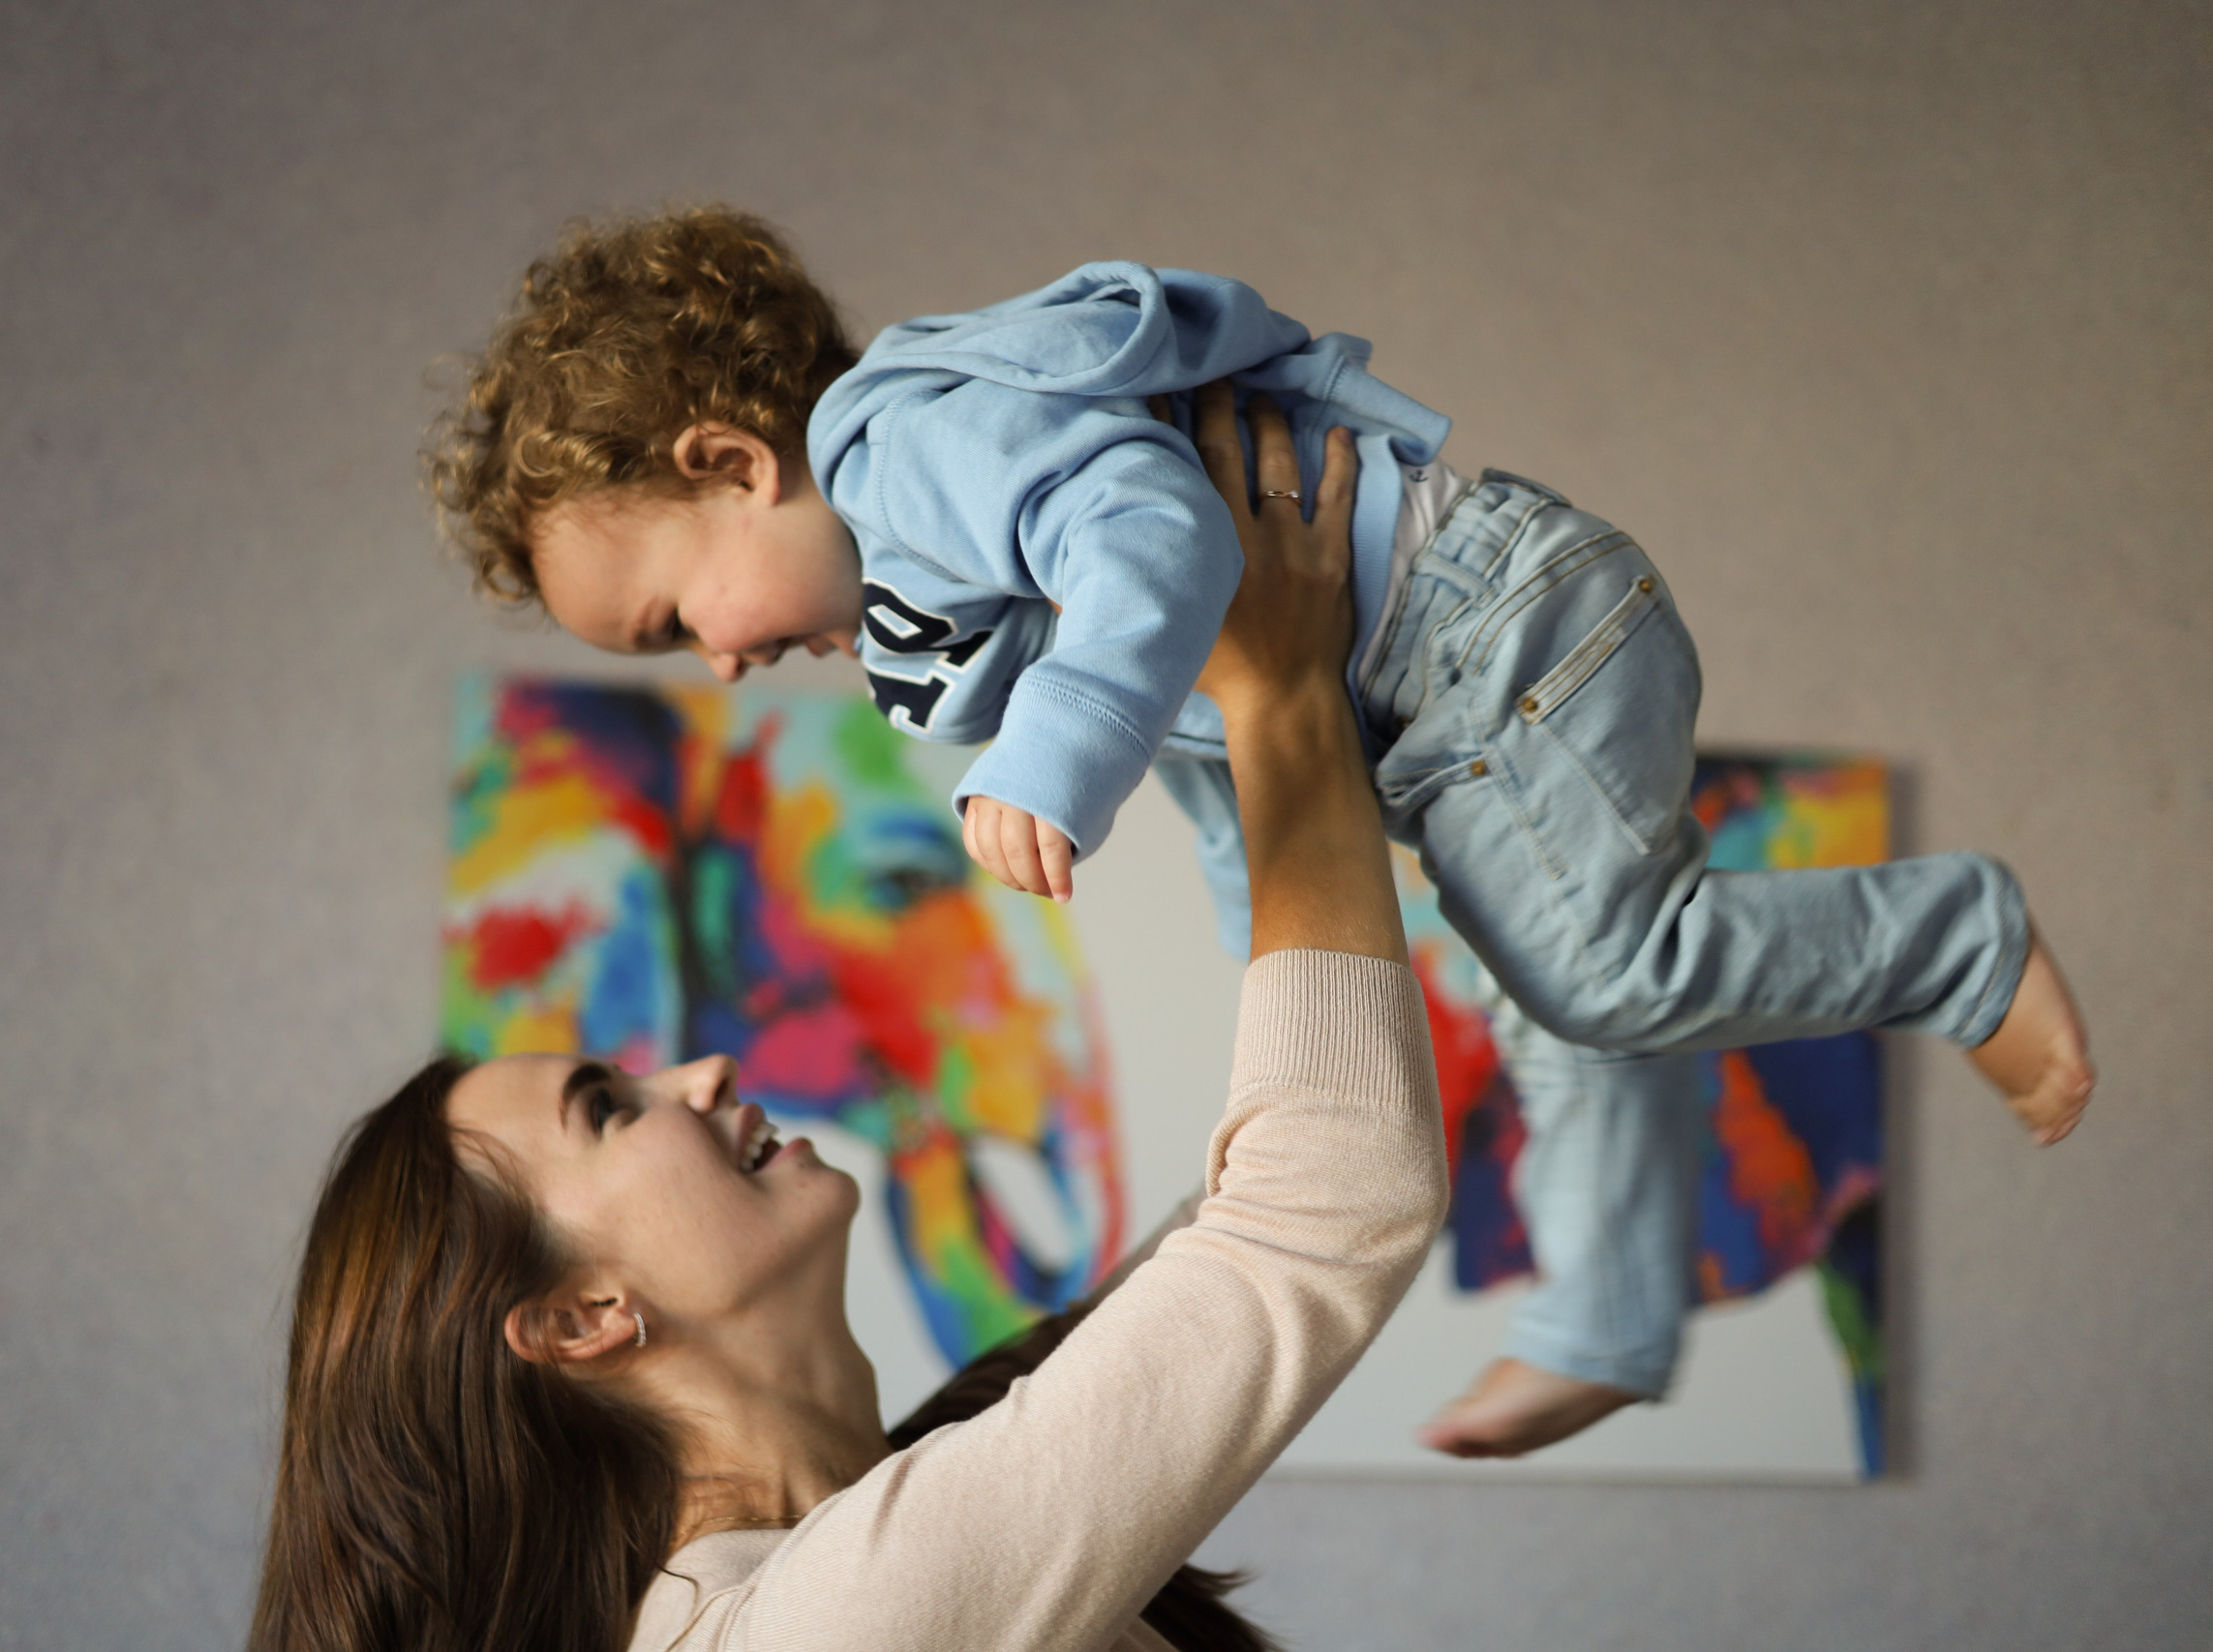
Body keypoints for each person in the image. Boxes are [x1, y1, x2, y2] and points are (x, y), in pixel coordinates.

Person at [425, 206, 2094, 1455]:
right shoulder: (910, 587)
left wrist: (1057, 753)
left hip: (1496, 626)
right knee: (1548, 993)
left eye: (669, 622)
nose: (719, 667)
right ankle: (1610, 1311)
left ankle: (1962, 943)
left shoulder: (902, 447)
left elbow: (1160, 541)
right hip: (1435, 689)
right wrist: (1271, 979)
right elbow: (1224, 746)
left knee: (1597, 974)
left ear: (731, 459)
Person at [253, 405, 1448, 1652]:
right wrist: (1283, 689)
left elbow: (1276, 1176)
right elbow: (1329, 1190)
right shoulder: (814, 1630)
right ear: (579, 1319)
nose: (702, 1074)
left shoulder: (888, 1526)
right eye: (607, 1110)